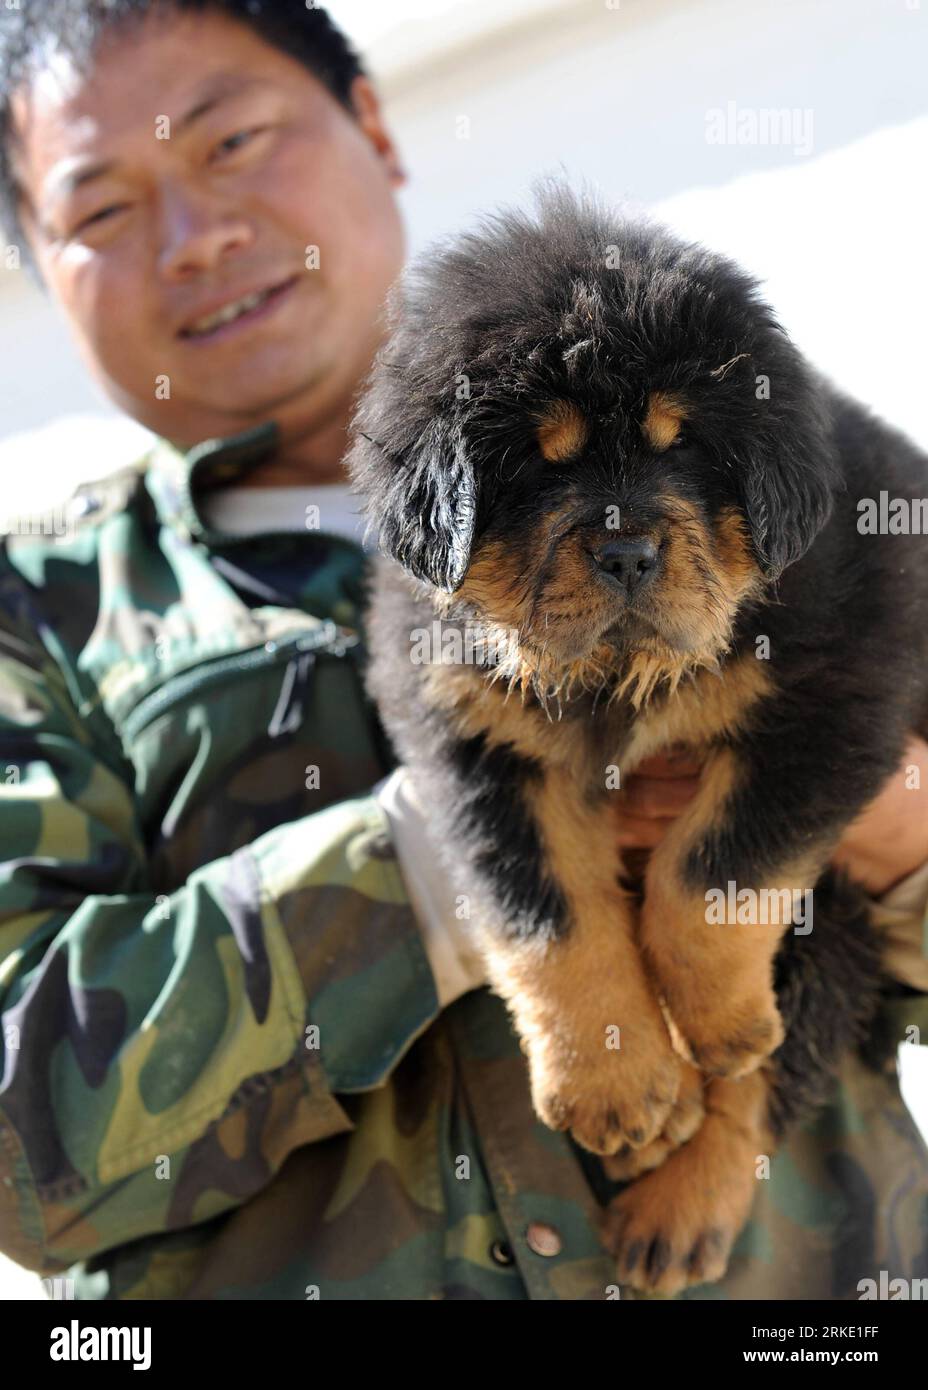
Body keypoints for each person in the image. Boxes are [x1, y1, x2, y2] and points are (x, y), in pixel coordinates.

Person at [0, 0, 926, 1301]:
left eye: (232, 140)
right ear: (36, 259)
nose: (197, 235)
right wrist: (461, 864)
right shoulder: (35, 618)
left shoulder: (772, 442)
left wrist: (884, 816)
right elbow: (13, 1146)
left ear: (370, 123)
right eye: (98, 210)